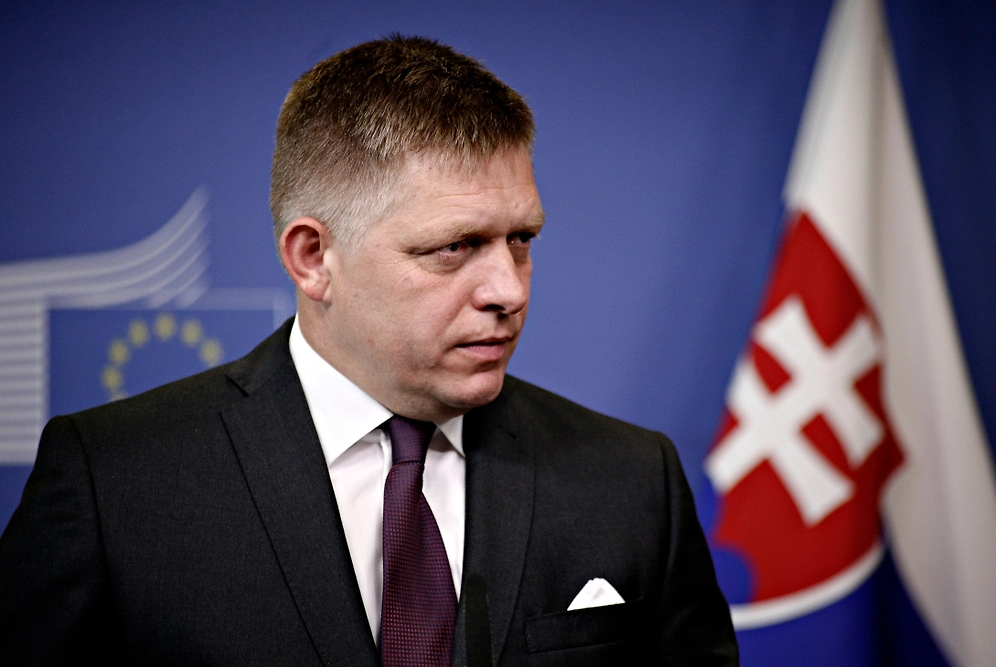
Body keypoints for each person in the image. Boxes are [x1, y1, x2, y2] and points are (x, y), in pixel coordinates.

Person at [0, 36, 738, 665]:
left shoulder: (631, 480)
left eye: (521, 240)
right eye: (455, 246)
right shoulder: (115, 484)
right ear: (313, 257)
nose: (508, 289)